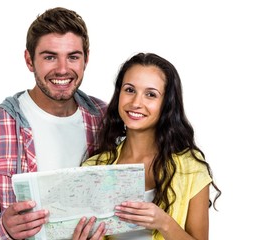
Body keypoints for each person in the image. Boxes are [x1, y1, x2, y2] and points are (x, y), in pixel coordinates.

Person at [0, 7, 108, 240]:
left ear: (86, 59)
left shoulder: (105, 118)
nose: (62, 69)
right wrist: (4, 227)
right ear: (29, 60)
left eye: (73, 57)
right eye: (49, 57)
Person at [82, 52, 221, 240]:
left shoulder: (191, 168)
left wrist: (163, 222)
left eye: (150, 94)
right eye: (130, 90)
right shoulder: (94, 168)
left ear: (167, 104)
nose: (136, 103)